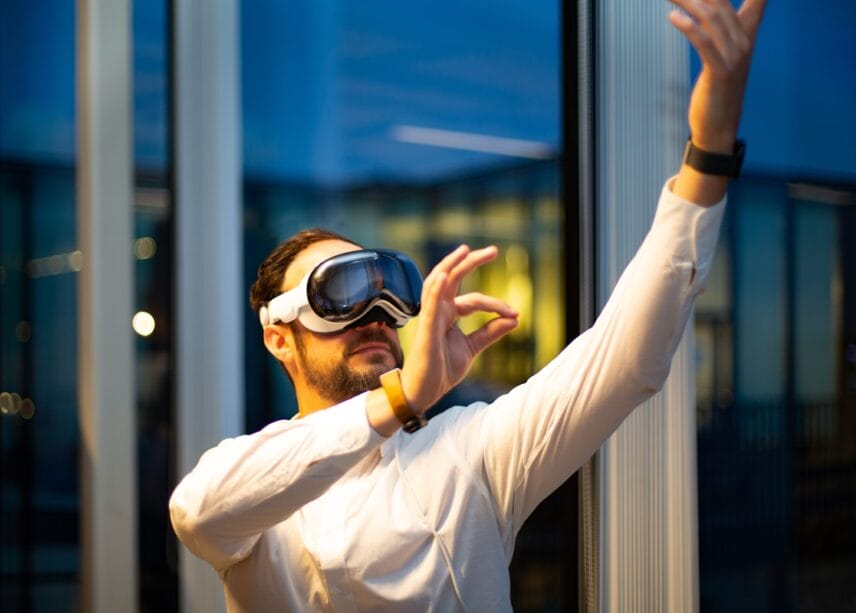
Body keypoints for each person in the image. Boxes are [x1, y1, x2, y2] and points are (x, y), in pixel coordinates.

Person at [170, 0, 767, 610]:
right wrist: (401, 398)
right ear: (279, 336)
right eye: (342, 292)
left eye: (386, 289)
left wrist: (710, 151)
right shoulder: (248, 473)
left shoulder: (466, 449)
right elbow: (196, 513)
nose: (374, 312)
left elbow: (628, 357)